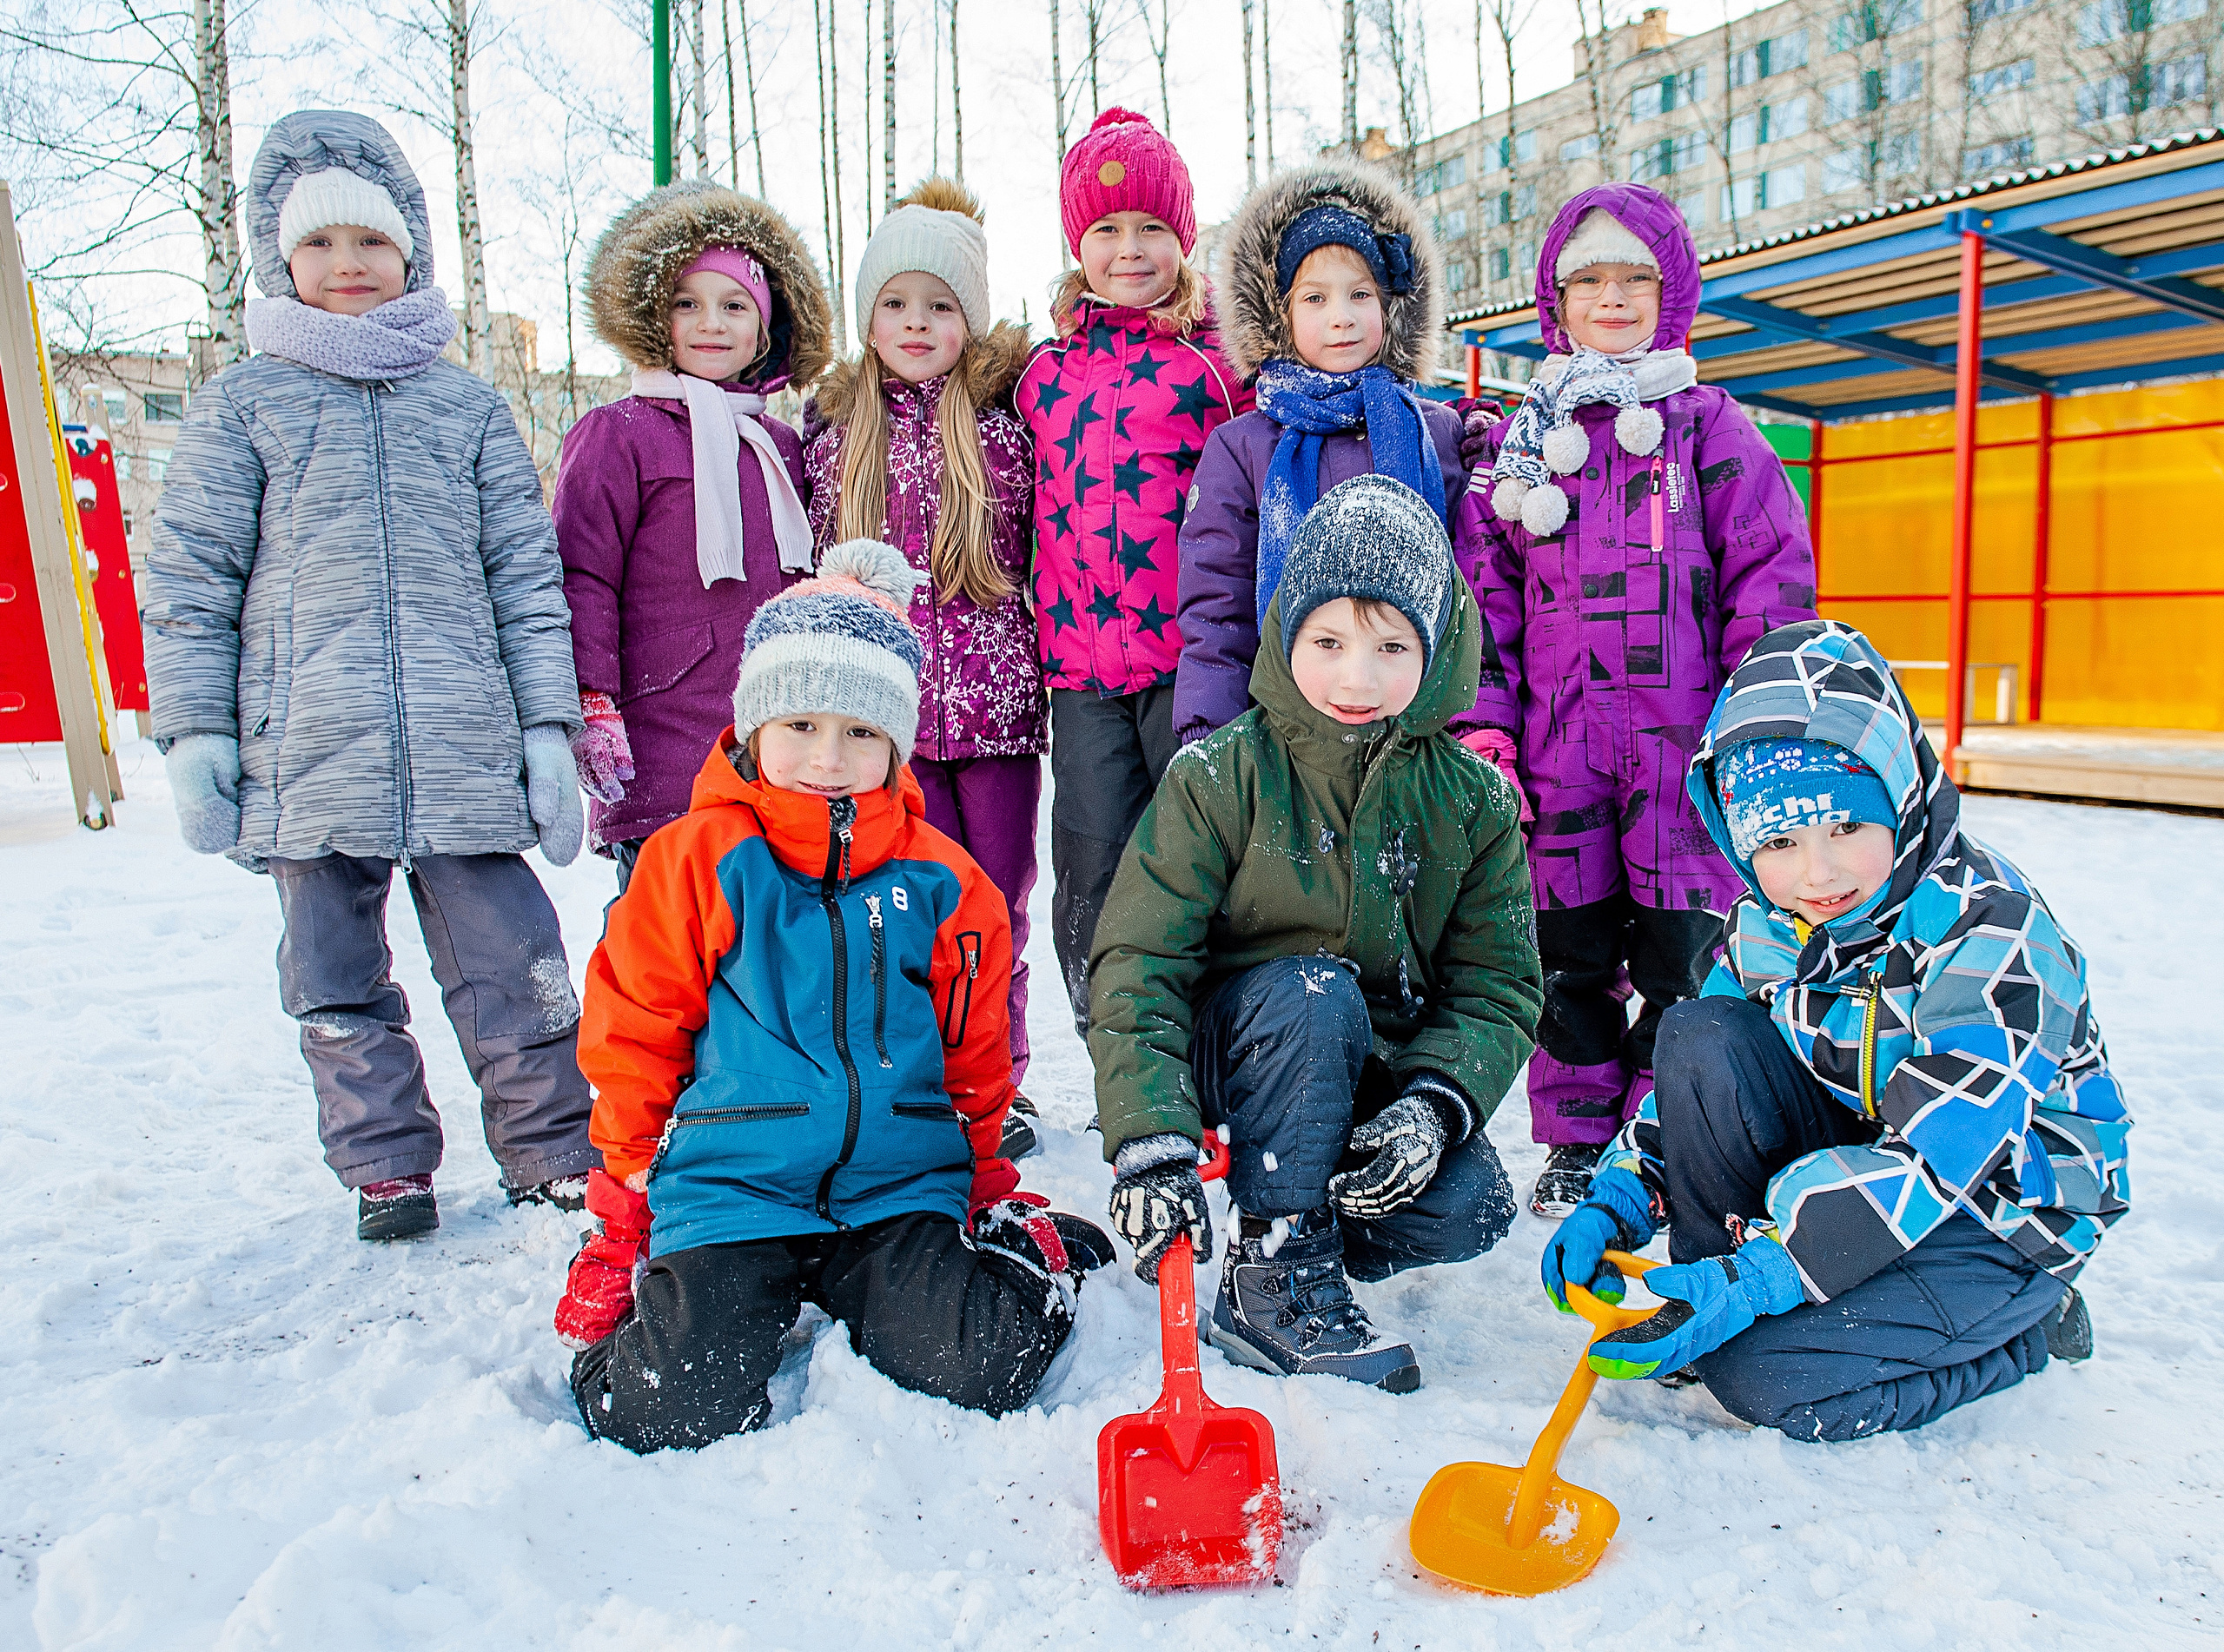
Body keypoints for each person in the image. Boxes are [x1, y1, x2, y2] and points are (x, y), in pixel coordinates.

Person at [145, 110, 597, 1243]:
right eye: (320, 247)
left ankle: (551, 1149)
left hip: (462, 741)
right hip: (308, 746)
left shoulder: (468, 411)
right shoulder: (242, 409)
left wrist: (548, 728)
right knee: (333, 971)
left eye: (372, 245)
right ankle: (385, 1161)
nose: (348, 266)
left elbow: (525, 580)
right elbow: (191, 580)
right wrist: (197, 734)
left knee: (517, 965)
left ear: (412, 257)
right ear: (280, 263)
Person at [557, 541, 1111, 1453]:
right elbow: (636, 1028)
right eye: (801, 726)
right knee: (665, 1410)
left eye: (860, 731)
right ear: (751, 728)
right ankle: (668, 1309)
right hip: (734, 1186)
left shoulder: (945, 884)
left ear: (896, 742)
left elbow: (974, 1056)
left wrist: (979, 1185)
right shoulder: (695, 861)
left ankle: (1024, 1254)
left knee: (984, 1368)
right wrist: (626, 1199)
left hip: (894, 1187)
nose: (828, 757)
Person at [1542, 619, 2128, 1442]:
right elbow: (1695, 1091)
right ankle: (1715, 1289)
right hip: (1860, 1158)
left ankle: (2027, 1334)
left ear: (1900, 795)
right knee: (1703, 1033)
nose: (1817, 875)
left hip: (1998, 1209)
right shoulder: (1766, 924)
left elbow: (1941, 1154)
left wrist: (1765, 1281)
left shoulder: (1991, 929)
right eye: (1778, 842)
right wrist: (1619, 1196)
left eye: (1846, 828)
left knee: (1764, 1378)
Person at [1090, 476, 1540, 1393]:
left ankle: (1307, 1218)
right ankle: (1272, 1276)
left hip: (1360, 1064)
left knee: (1469, 1208)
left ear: (1438, 647)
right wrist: (1153, 1137)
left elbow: (1496, 987)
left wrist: (1431, 1103)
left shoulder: (1473, 801)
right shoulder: (1219, 776)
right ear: (1285, 634)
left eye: (1390, 646)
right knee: (1311, 989)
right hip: (1242, 1038)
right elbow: (1139, 959)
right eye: (1327, 641)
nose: (1355, 677)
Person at [1456, 183, 1817, 1217]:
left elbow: (1771, 579)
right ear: (1552, 300)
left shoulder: (1712, 429)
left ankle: (1661, 1139)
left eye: (1635, 279)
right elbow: (1482, 601)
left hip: (1683, 753)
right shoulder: (1521, 447)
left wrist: (1753, 723)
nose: (1611, 298)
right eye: (1588, 281)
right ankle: (1574, 1139)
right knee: (1564, 959)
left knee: (1683, 956)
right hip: (1558, 748)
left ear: (1674, 293)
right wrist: (1485, 723)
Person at [805, 178, 1046, 1160]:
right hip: (878, 730)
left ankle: (999, 1077)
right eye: (895, 303)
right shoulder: (829, 440)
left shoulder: (1002, 435)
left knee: (992, 903)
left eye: (940, 305)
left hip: (994, 721)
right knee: (894, 909)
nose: (916, 323)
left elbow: (1046, 548)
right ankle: (912, 1081)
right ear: (866, 316)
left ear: (970, 321)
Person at [1017, 107, 1251, 1033]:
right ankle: (1113, 1039)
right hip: (1078, 671)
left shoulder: (1218, 363)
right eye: (1106, 230)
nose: (1129, 248)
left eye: (1152, 227)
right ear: (1079, 245)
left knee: (1202, 855)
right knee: (1094, 860)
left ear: (1183, 239)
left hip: (1191, 662)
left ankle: (1214, 1039)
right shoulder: (1040, 373)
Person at [553, 180, 833, 889]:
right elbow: (582, 577)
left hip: (771, 744)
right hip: (662, 740)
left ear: (764, 329)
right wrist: (592, 702)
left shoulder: (781, 446)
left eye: (734, 305)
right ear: (657, 317)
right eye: (687, 303)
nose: (711, 322)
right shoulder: (619, 435)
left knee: (761, 944)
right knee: (663, 943)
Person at [1172, 160, 1468, 746]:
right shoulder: (1244, 448)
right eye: (1315, 298)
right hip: (1288, 735)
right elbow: (1217, 613)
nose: (1341, 317)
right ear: (1278, 316)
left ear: (1392, 307)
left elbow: (1474, 588)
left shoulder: (1436, 435)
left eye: (1361, 294)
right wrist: (1213, 743)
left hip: (1415, 732)